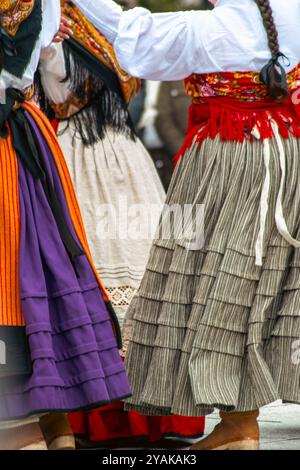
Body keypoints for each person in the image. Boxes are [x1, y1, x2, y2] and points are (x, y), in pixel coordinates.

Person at [70, 0, 300, 451]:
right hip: (288, 155)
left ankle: (239, 425)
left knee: (219, 283)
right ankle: (240, 423)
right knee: (265, 282)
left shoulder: (208, 29)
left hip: (226, 157)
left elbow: (129, 37)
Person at [37, 2, 205, 447]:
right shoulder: (51, 28)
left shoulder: (118, 27)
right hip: (84, 155)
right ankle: (103, 405)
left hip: (113, 156)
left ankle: (146, 406)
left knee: (139, 263)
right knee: (99, 265)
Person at [0, 0, 131, 450]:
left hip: (17, 138)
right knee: (36, 266)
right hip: (27, 135)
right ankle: (54, 431)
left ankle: (20, 433)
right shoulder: (48, 5)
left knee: (14, 273)